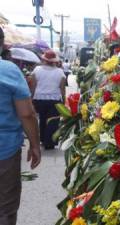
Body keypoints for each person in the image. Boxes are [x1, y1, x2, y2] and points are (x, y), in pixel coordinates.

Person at [0, 26, 41, 225]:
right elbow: (26, 113)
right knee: (5, 209)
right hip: (4, 151)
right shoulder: (8, 70)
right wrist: (35, 145)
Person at [31, 50, 66, 150]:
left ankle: (42, 139)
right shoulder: (60, 72)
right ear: (54, 61)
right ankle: (49, 142)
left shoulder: (37, 70)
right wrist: (63, 100)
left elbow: (33, 86)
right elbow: (62, 88)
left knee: (42, 119)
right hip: (54, 100)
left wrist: (31, 98)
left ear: (44, 59)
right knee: (53, 121)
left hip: (39, 99)